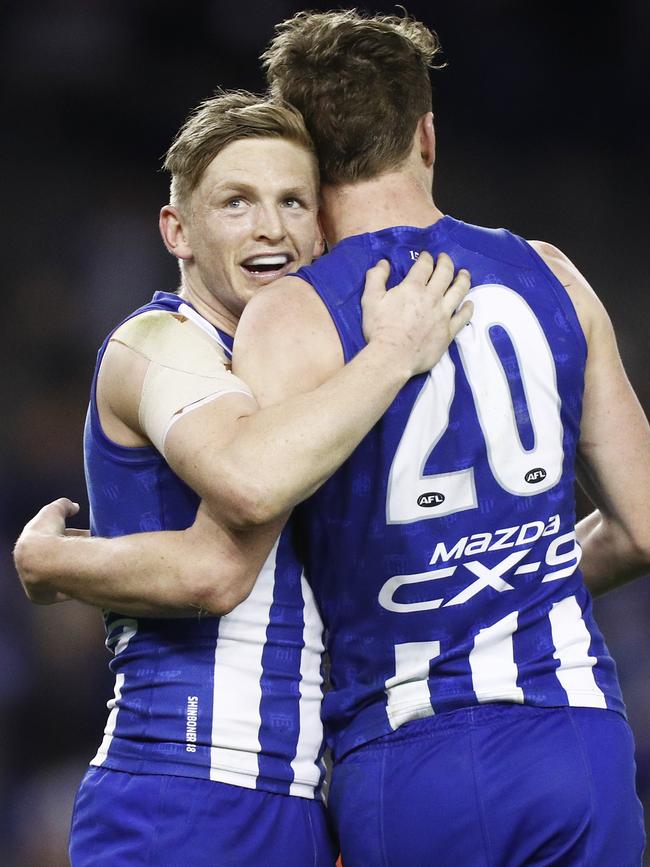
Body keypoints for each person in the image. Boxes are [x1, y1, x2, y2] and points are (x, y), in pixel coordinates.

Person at [231, 9, 649, 865]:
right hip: (575, 735)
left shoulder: (290, 316)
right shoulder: (553, 274)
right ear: (426, 132)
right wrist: (508, 577)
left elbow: (242, 542)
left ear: (301, 152)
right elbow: (644, 523)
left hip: (406, 751)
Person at [14, 89, 471, 866]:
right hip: (184, 793)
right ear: (177, 230)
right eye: (237, 202)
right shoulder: (160, 343)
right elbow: (220, 565)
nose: (271, 227)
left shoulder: (325, 384)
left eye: (294, 201)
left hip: (306, 801)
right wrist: (396, 352)